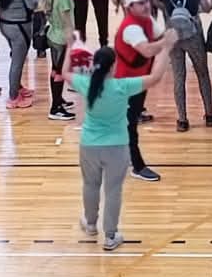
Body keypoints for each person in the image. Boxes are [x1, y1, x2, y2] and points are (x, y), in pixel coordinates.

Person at [67, 44, 170, 251]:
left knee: (90, 185)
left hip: (89, 145)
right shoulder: (122, 86)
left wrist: (69, 45)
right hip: (117, 146)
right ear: (114, 66)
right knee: (113, 191)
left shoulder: (86, 84)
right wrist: (166, 49)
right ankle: (110, 236)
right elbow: (155, 77)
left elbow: (64, 73)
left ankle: (90, 224)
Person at [115, 0, 178, 182]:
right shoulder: (131, 28)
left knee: (129, 121)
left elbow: (160, 37)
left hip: (138, 80)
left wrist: (171, 33)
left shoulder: (148, 20)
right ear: (130, 7)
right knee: (129, 125)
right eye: (141, 3)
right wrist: (167, 42)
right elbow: (147, 50)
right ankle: (137, 166)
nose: (146, 6)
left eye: (147, 1)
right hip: (125, 83)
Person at [155, 0, 212, 131]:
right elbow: (207, 7)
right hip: (193, 34)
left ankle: (182, 119)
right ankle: (209, 114)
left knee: (178, 76)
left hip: (172, 35)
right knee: (202, 73)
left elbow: (163, 10)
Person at [41, 0, 77, 119]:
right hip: (62, 39)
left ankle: (58, 100)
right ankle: (55, 108)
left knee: (55, 70)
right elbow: (67, 23)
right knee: (60, 73)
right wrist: (71, 42)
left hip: (53, 36)